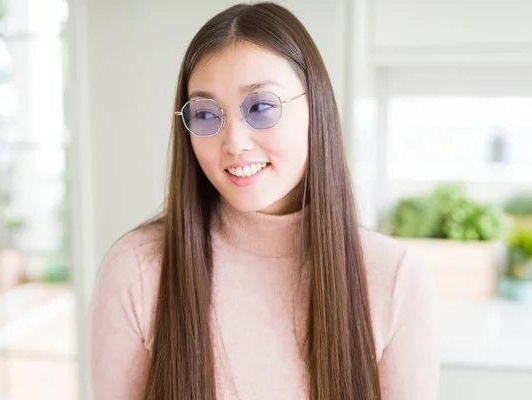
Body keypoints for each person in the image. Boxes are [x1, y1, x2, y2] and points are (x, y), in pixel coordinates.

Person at [89, 2, 439, 399]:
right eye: (205, 115)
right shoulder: (138, 270)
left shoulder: (394, 278)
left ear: (315, 108)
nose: (234, 143)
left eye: (260, 107)